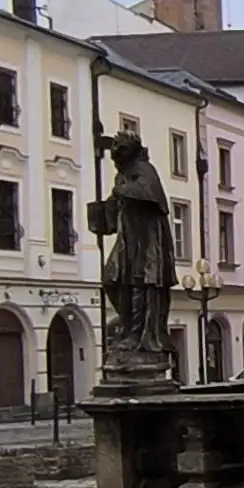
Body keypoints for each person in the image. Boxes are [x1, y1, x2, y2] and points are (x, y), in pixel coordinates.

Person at [90, 128, 175, 377]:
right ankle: (129, 330)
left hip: (148, 241)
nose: (115, 152)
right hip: (128, 240)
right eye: (114, 147)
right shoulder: (122, 176)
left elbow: (150, 195)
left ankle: (139, 336)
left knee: (141, 287)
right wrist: (102, 213)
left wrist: (121, 192)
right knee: (112, 280)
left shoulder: (144, 169)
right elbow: (114, 217)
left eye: (121, 147)